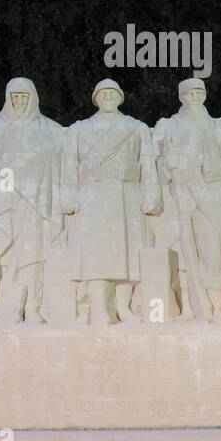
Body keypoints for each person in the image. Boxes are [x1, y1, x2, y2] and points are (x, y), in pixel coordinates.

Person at [61, 79, 162, 324]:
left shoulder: (135, 128)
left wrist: (151, 196)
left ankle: (122, 306)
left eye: (112, 93)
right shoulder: (79, 129)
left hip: (127, 194)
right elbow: (68, 166)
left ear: (120, 97)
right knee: (96, 252)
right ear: (95, 98)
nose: (107, 97)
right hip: (92, 195)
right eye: (103, 93)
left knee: (127, 250)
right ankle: (98, 308)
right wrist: (69, 196)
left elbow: (149, 165)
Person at [0, 78, 64, 324]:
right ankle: (6, 304)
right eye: (14, 96)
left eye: (24, 96)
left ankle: (34, 305)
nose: (19, 101)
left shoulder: (51, 130)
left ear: (33, 98)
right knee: (4, 253)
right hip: (2, 204)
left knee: (34, 254)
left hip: (35, 204)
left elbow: (62, 165)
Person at [152, 79, 221, 322]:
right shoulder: (167, 126)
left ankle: (217, 308)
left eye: (199, 93)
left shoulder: (219, 127)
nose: (194, 98)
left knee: (212, 251)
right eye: (189, 94)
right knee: (182, 252)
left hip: (212, 194)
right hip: (180, 194)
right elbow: (156, 163)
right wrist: (169, 165)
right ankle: (190, 307)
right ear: (182, 97)